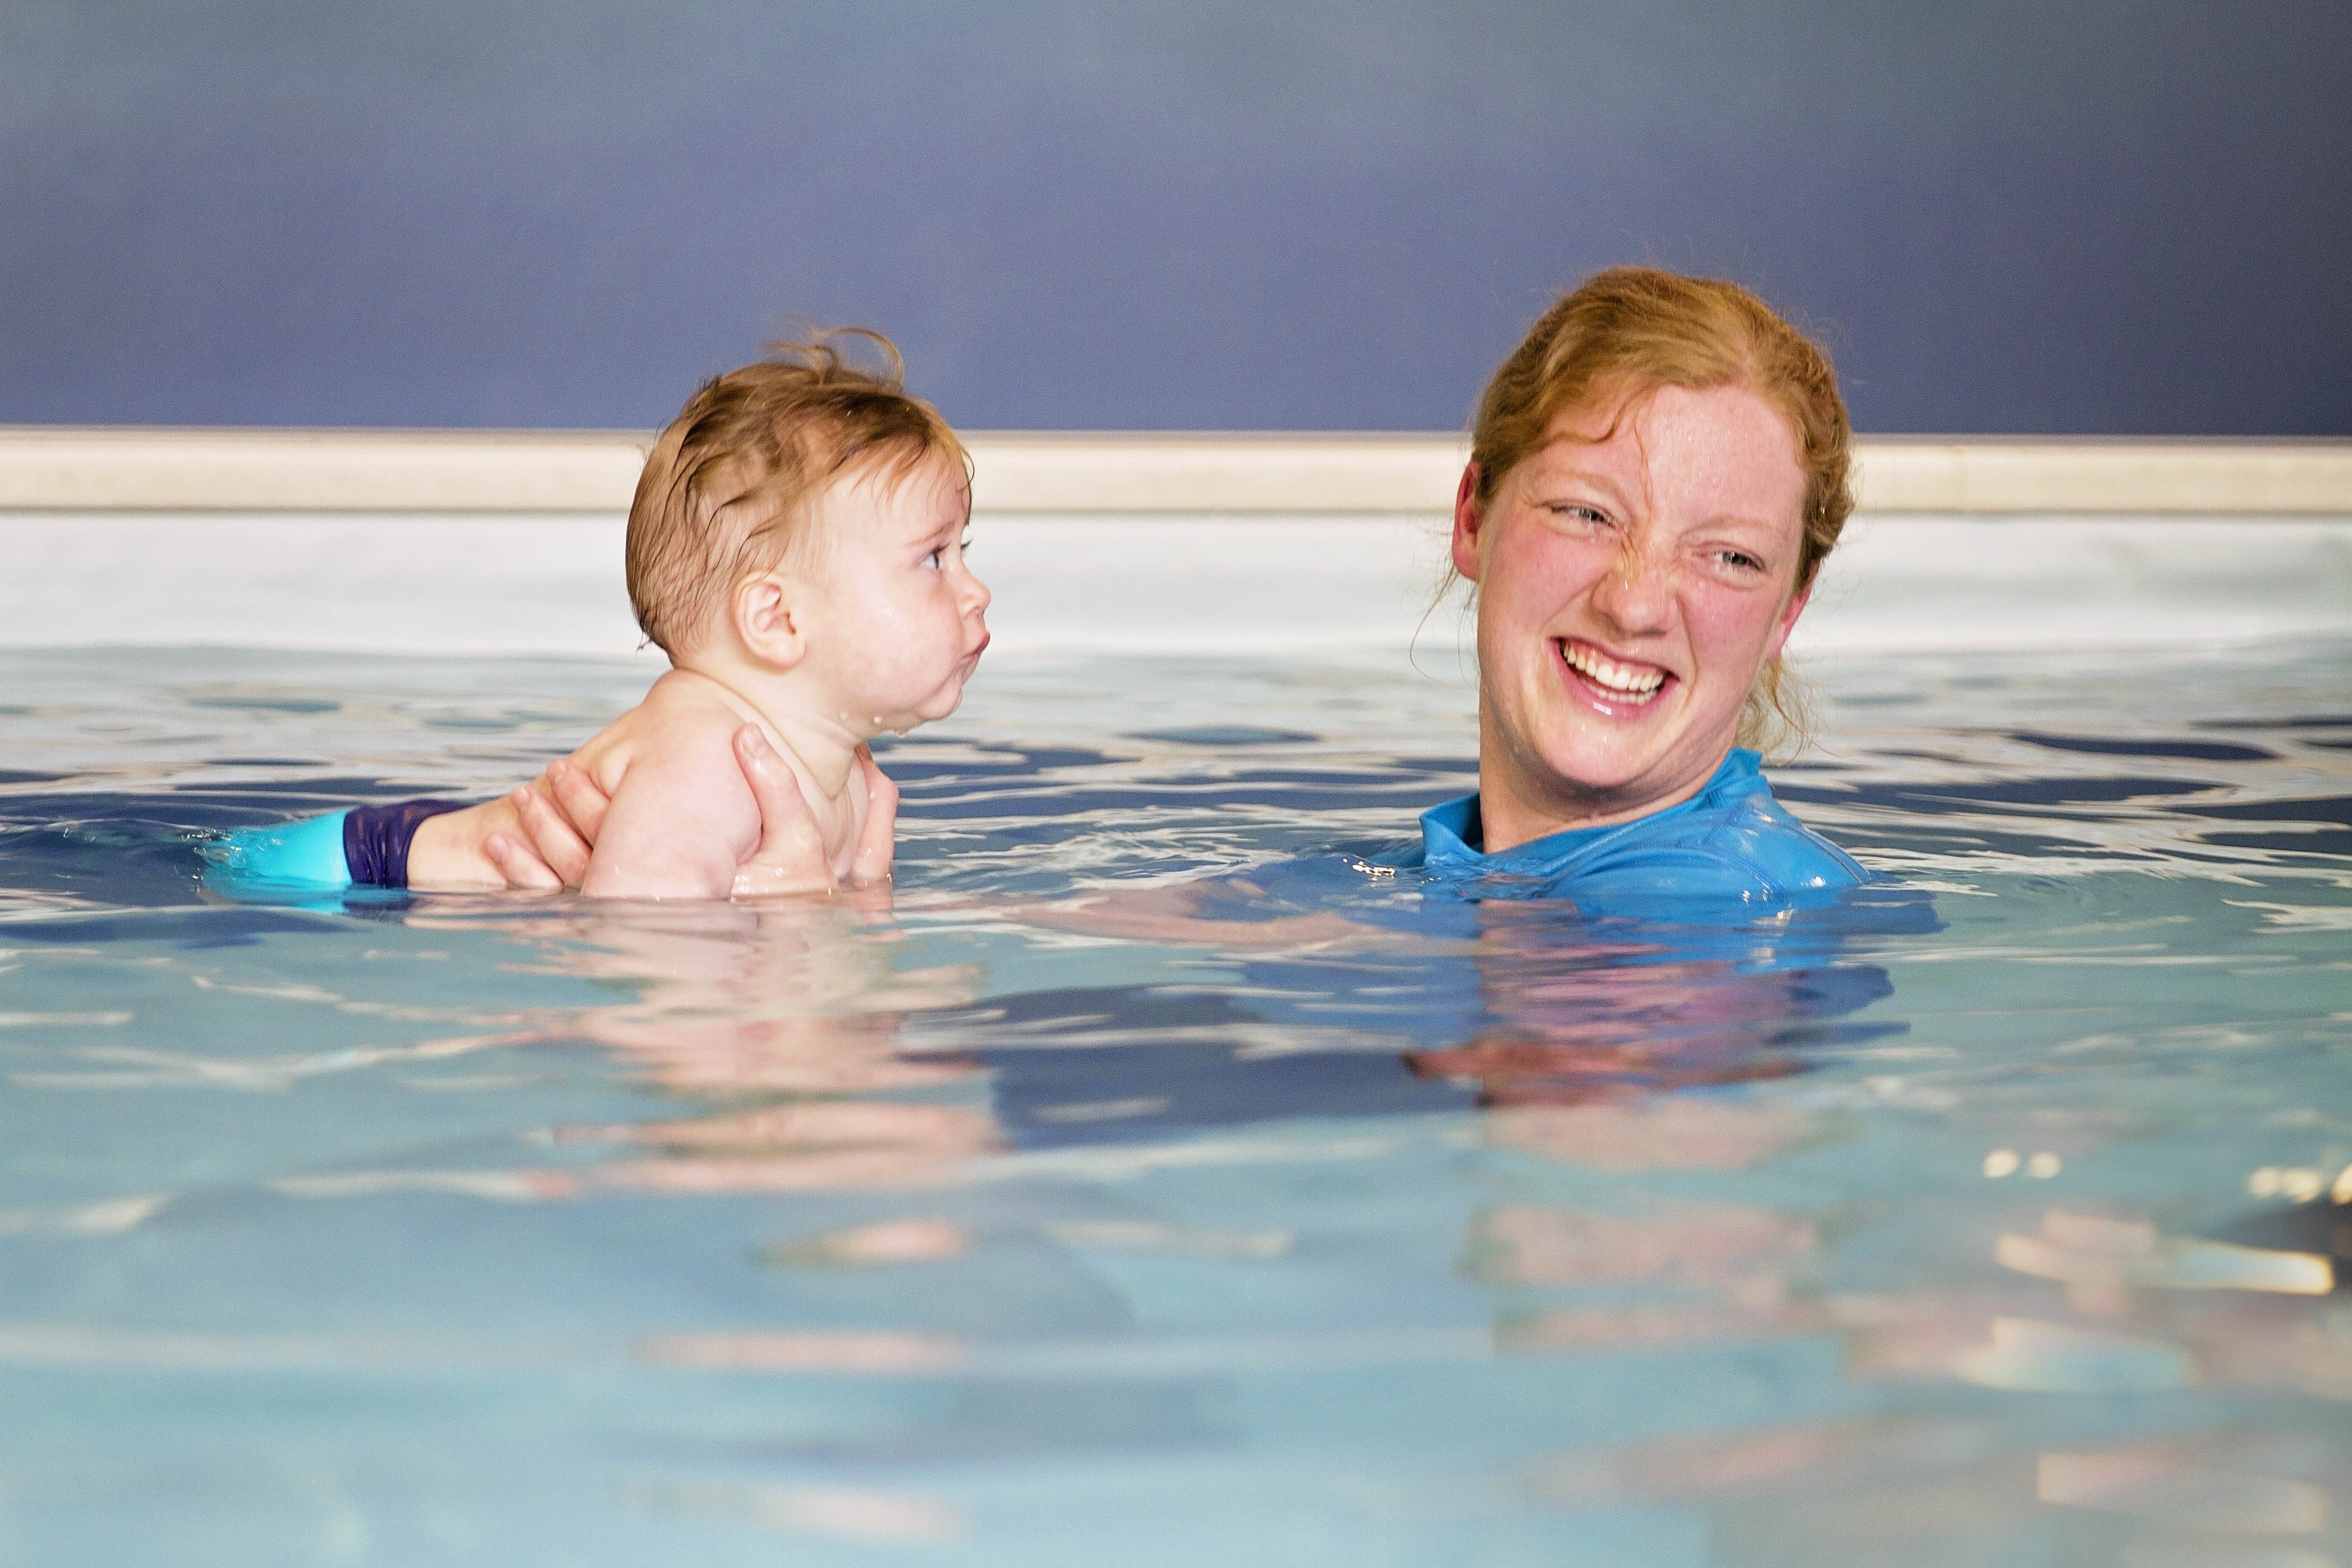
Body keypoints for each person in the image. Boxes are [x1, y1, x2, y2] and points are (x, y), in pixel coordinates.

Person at [209, 332, 990, 900]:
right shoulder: (709, 763)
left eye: (962, 551)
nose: (976, 591)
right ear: (778, 620)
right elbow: (639, 968)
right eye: (933, 558)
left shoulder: (839, 772)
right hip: (350, 875)